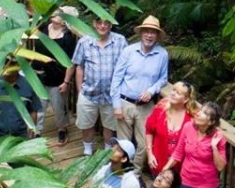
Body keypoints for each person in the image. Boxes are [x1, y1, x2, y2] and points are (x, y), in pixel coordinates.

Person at [110, 16, 170, 160]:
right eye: (146, 31)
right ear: (141, 33)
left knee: (144, 143)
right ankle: (122, 172)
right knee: (124, 144)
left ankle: (136, 173)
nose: (149, 35)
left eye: (153, 32)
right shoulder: (128, 51)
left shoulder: (162, 54)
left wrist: (151, 90)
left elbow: (163, 79)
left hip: (146, 106)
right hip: (125, 103)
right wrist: (116, 105)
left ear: (157, 36)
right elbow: (116, 78)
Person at [68, 16, 125, 156]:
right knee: (86, 124)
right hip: (88, 92)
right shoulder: (84, 42)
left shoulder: (120, 41)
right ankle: (87, 149)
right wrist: (80, 90)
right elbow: (79, 67)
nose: (103, 26)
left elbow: (126, 65)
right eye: (99, 22)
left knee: (109, 125)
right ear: (94, 23)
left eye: (106, 23)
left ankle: (106, 151)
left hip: (111, 94)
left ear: (111, 25)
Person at [33, 13, 78, 144]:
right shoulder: (43, 28)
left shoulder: (68, 38)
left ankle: (62, 129)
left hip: (57, 77)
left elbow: (71, 62)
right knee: (39, 105)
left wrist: (66, 81)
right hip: (39, 74)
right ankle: (37, 130)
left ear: (65, 21)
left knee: (59, 106)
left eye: (60, 15)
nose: (56, 15)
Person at [0, 62, 41, 144]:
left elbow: (33, 110)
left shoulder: (28, 85)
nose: (7, 67)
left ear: (18, 67)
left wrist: (31, 134)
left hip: (20, 136)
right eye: (5, 64)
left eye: (11, 65)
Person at [142, 81, 193, 174]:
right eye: (173, 90)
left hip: (180, 170)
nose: (173, 94)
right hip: (157, 164)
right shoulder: (160, 110)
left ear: (185, 99)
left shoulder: (191, 118)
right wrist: (150, 154)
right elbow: (149, 131)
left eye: (178, 93)